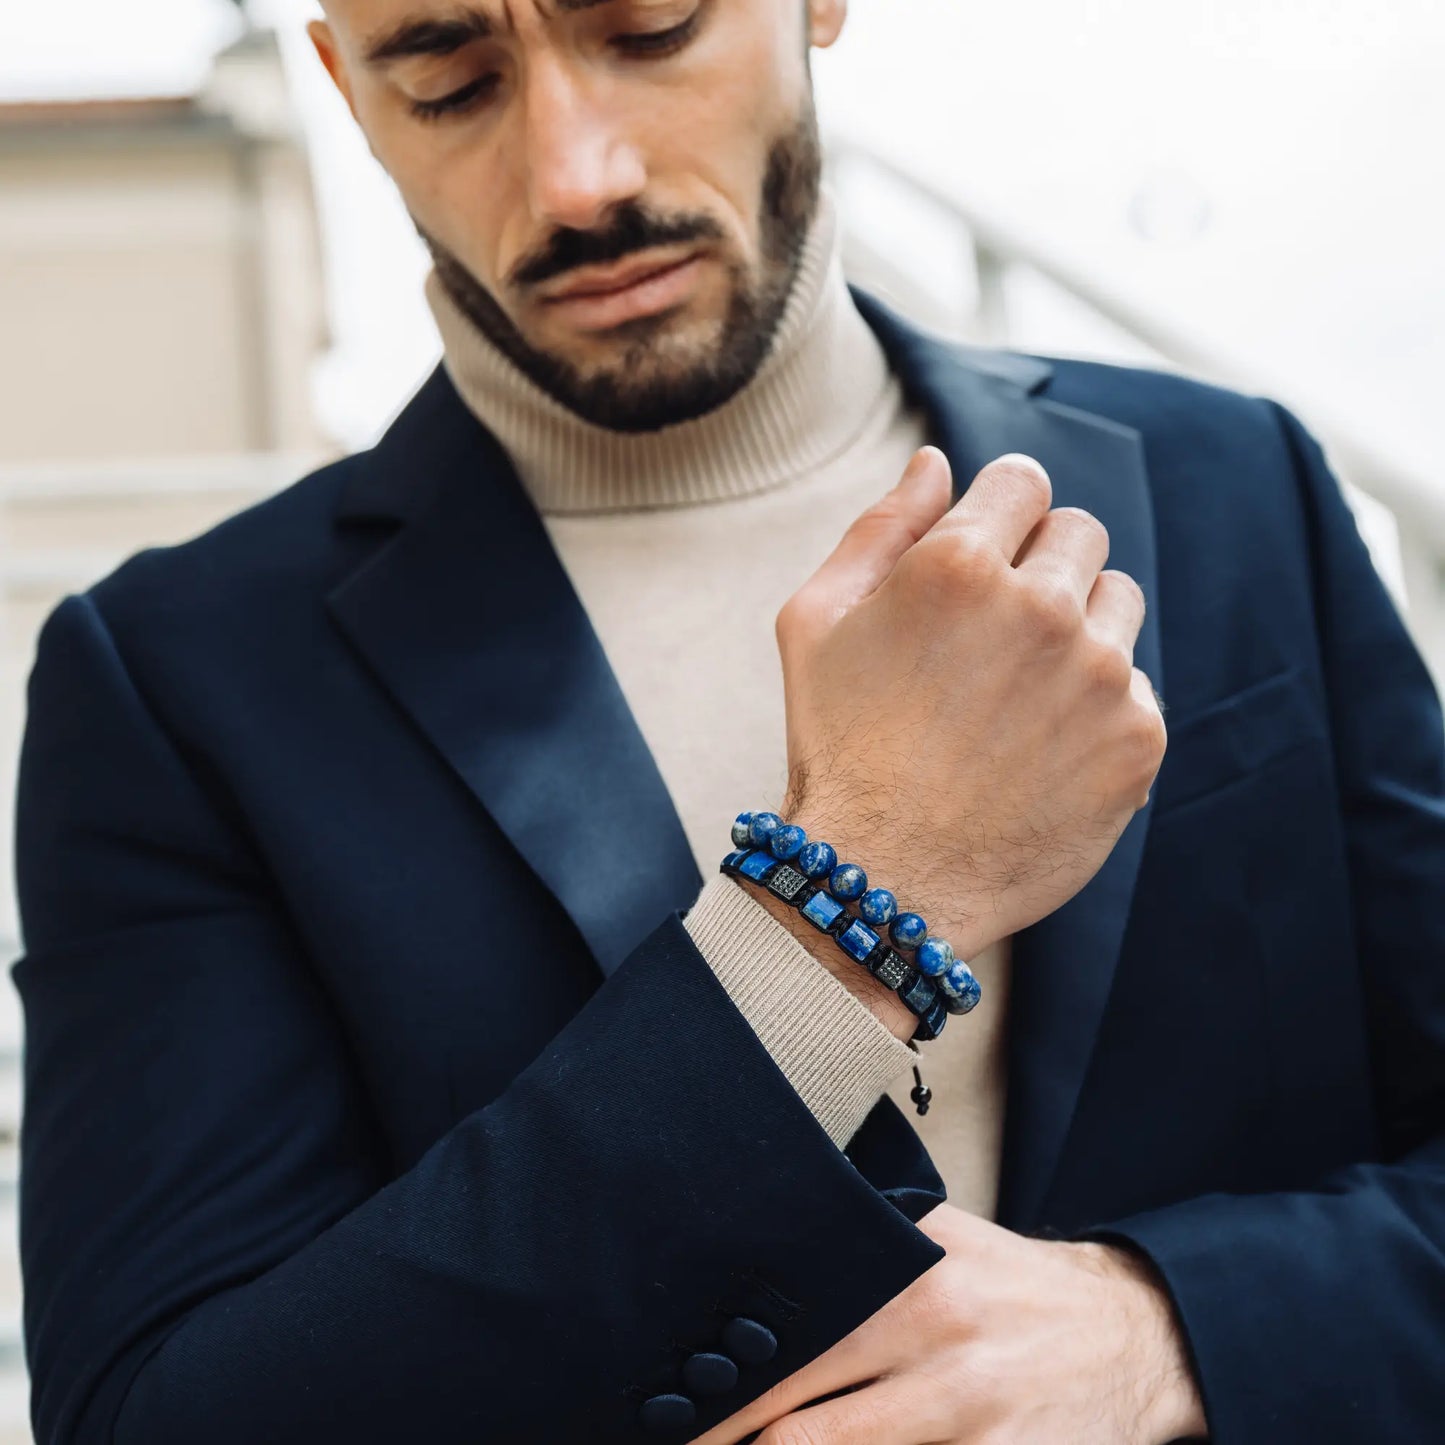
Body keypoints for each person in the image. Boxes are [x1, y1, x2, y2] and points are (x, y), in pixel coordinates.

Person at [11, 1, 1445, 1441]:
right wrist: (850, 911)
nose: (576, 177)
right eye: (448, 83)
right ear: (343, 83)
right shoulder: (173, 679)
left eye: (647, 27)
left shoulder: (1232, 484)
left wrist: (1167, 1329)